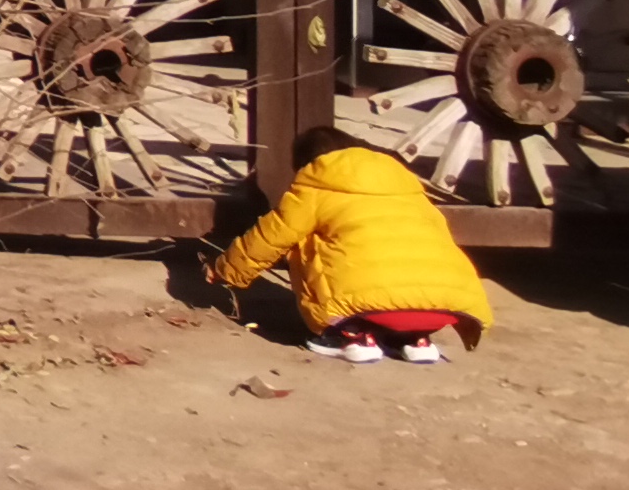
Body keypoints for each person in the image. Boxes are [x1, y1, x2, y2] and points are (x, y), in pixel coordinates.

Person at [208, 141, 493, 362]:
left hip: (362, 307)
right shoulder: (413, 195)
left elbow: (267, 240)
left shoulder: (314, 191)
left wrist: (224, 272)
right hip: (446, 308)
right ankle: (416, 341)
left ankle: (352, 337)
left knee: (315, 244)